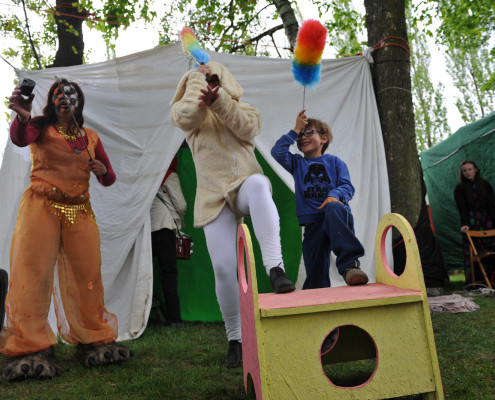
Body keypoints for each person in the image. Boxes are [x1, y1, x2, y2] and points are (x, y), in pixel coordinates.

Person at [1, 79, 133, 381]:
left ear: (79, 102)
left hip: (80, 210)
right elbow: (20, 139)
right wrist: (23, 117)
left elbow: (108, 178)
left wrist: (103, 171)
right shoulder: (38, 127)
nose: (64, 97)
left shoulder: (90, 137)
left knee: (87, 274)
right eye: (57, 93)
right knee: (32, 273)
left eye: (70, 94)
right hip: (41, 206)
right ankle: (31, 347)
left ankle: (93, 340)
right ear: (51, 101)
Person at [170, 61, 295, 369]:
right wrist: (198, 86)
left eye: (211, 76)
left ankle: (275, 269)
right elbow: (187, 116)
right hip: (212, 196)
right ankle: (236, 339)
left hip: (244, 184)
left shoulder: (244, 108)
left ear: (224, 80)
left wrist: (220, 100)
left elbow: (248, 127)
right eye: (198, 78)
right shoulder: (187, 114)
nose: (206, 80)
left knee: (259, 185)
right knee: (224, 269)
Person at [271, 110, 368, 290]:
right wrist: (294, 130)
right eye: (300, 135)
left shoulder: (335, 162)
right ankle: (316, 297)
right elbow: (277, 152)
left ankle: (350, 266)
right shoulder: (297, 163)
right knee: (315, 276)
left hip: (336, 217)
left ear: (324, 138)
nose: (303, 137)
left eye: (309, 132)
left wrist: (334, 196)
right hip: (313, 224)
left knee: (333, 208)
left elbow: (348, 187)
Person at [151, 155, 187, 326]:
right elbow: (181, 204)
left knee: (144, 274)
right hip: (164, 227)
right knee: (169, 274)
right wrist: (180, 219)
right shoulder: (169, 174)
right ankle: (174, 318)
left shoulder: (143, 173)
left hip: (143, 229)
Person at [454, 160, 495, 284]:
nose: (468, 172)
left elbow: (491, 206)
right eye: (464, 170)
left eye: (470, 169)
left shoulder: (485, 185)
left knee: (490, 248)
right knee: (473, 249)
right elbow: (462, 208)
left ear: (475, 169)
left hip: (487, 221)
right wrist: (465, 224)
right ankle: (476, 281)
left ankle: (490, 278)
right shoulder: (460, 188)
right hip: (471, 221)